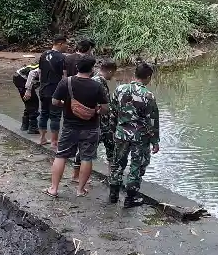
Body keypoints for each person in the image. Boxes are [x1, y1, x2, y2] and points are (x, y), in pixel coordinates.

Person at [46, 56, 109, 198]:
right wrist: (96, 110)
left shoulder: (66, 82)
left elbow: (55, 101)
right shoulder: (96, 85)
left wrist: (68, 105)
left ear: (76, 68)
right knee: (87, 158)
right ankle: (80, 190)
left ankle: (54, 189)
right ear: (91, 70)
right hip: (91, 127)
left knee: (61, 155)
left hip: (69, 126)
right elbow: (105, 108)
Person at [108, 61, 160, 207]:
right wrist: (155, 141)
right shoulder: (148, 95)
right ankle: (130, 199)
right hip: (140, 137)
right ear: (148, 77)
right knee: (136, 166)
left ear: (135, 74)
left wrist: (113, 131)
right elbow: (153, 121)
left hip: (121, 134)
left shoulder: (119, 89)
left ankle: (113, 194)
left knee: (117, 164)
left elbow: (113, 113)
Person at [73, 59, 117, 181]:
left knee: (86, 148)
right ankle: (111, 176)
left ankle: (76, 175)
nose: (113, 76)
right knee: (108, 150)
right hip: (100, 123)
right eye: (113, 73)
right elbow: (104, 106)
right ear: (109, 70)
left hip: (94, 122)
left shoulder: (93, 80)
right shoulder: (99, 83)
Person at [36, 36, 68, 148]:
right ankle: (54, 141)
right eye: (65, 44)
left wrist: (41, 86)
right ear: (60, 44)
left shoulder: (43, 55)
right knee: (55, 116)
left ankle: (42, 139)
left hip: (43, 89)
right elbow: (64, 77)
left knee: (43, 113)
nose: (66, 46)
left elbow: (39, 72)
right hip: (56, 90)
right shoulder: (62, 57)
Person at [13, 62, 40, 133]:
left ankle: (25, 125)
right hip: (21, 77)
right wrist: (28, 90)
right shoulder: (45, 65)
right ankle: (32, 127)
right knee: (33, 102)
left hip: (19, 76)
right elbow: (32, 73)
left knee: (28, 101)